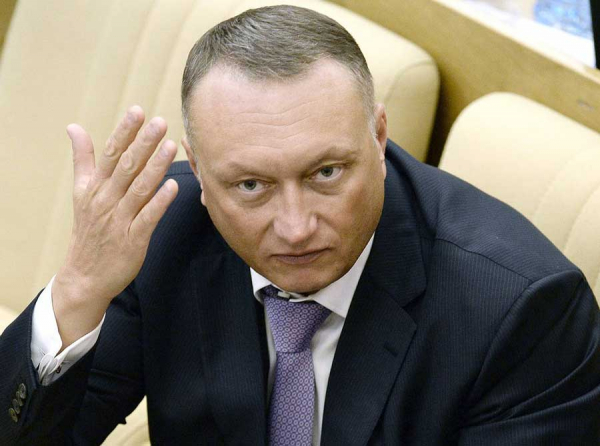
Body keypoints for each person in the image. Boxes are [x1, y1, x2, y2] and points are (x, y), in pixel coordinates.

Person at [2, 5, 599, 445]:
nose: (295, 228)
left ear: (379, 138)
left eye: (326, 173)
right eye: (251, 186)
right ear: (200, 174)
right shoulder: (163, 231)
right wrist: (80, 288)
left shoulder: (523, 311)